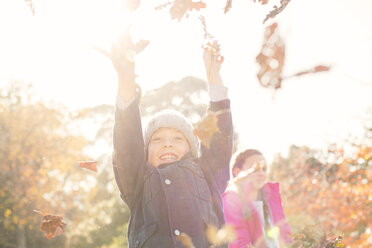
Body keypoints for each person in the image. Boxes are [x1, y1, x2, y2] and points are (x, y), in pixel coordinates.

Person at [109, 32, 233, 248]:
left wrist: (214, 76)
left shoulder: (206, 173)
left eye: (178, 138)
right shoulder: (138, 181)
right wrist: (126, 80)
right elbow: (127, 143)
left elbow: (219, 136)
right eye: (157, 139)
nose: (168, 143)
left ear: (192, 149)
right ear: (145, 152)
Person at [222, 149, 292, 248]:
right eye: (255, 168)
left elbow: (287, 236)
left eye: (264, 169)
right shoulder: (231, 201)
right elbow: (239, 243)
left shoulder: (272, 199)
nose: (261, 173)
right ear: (237, 172)